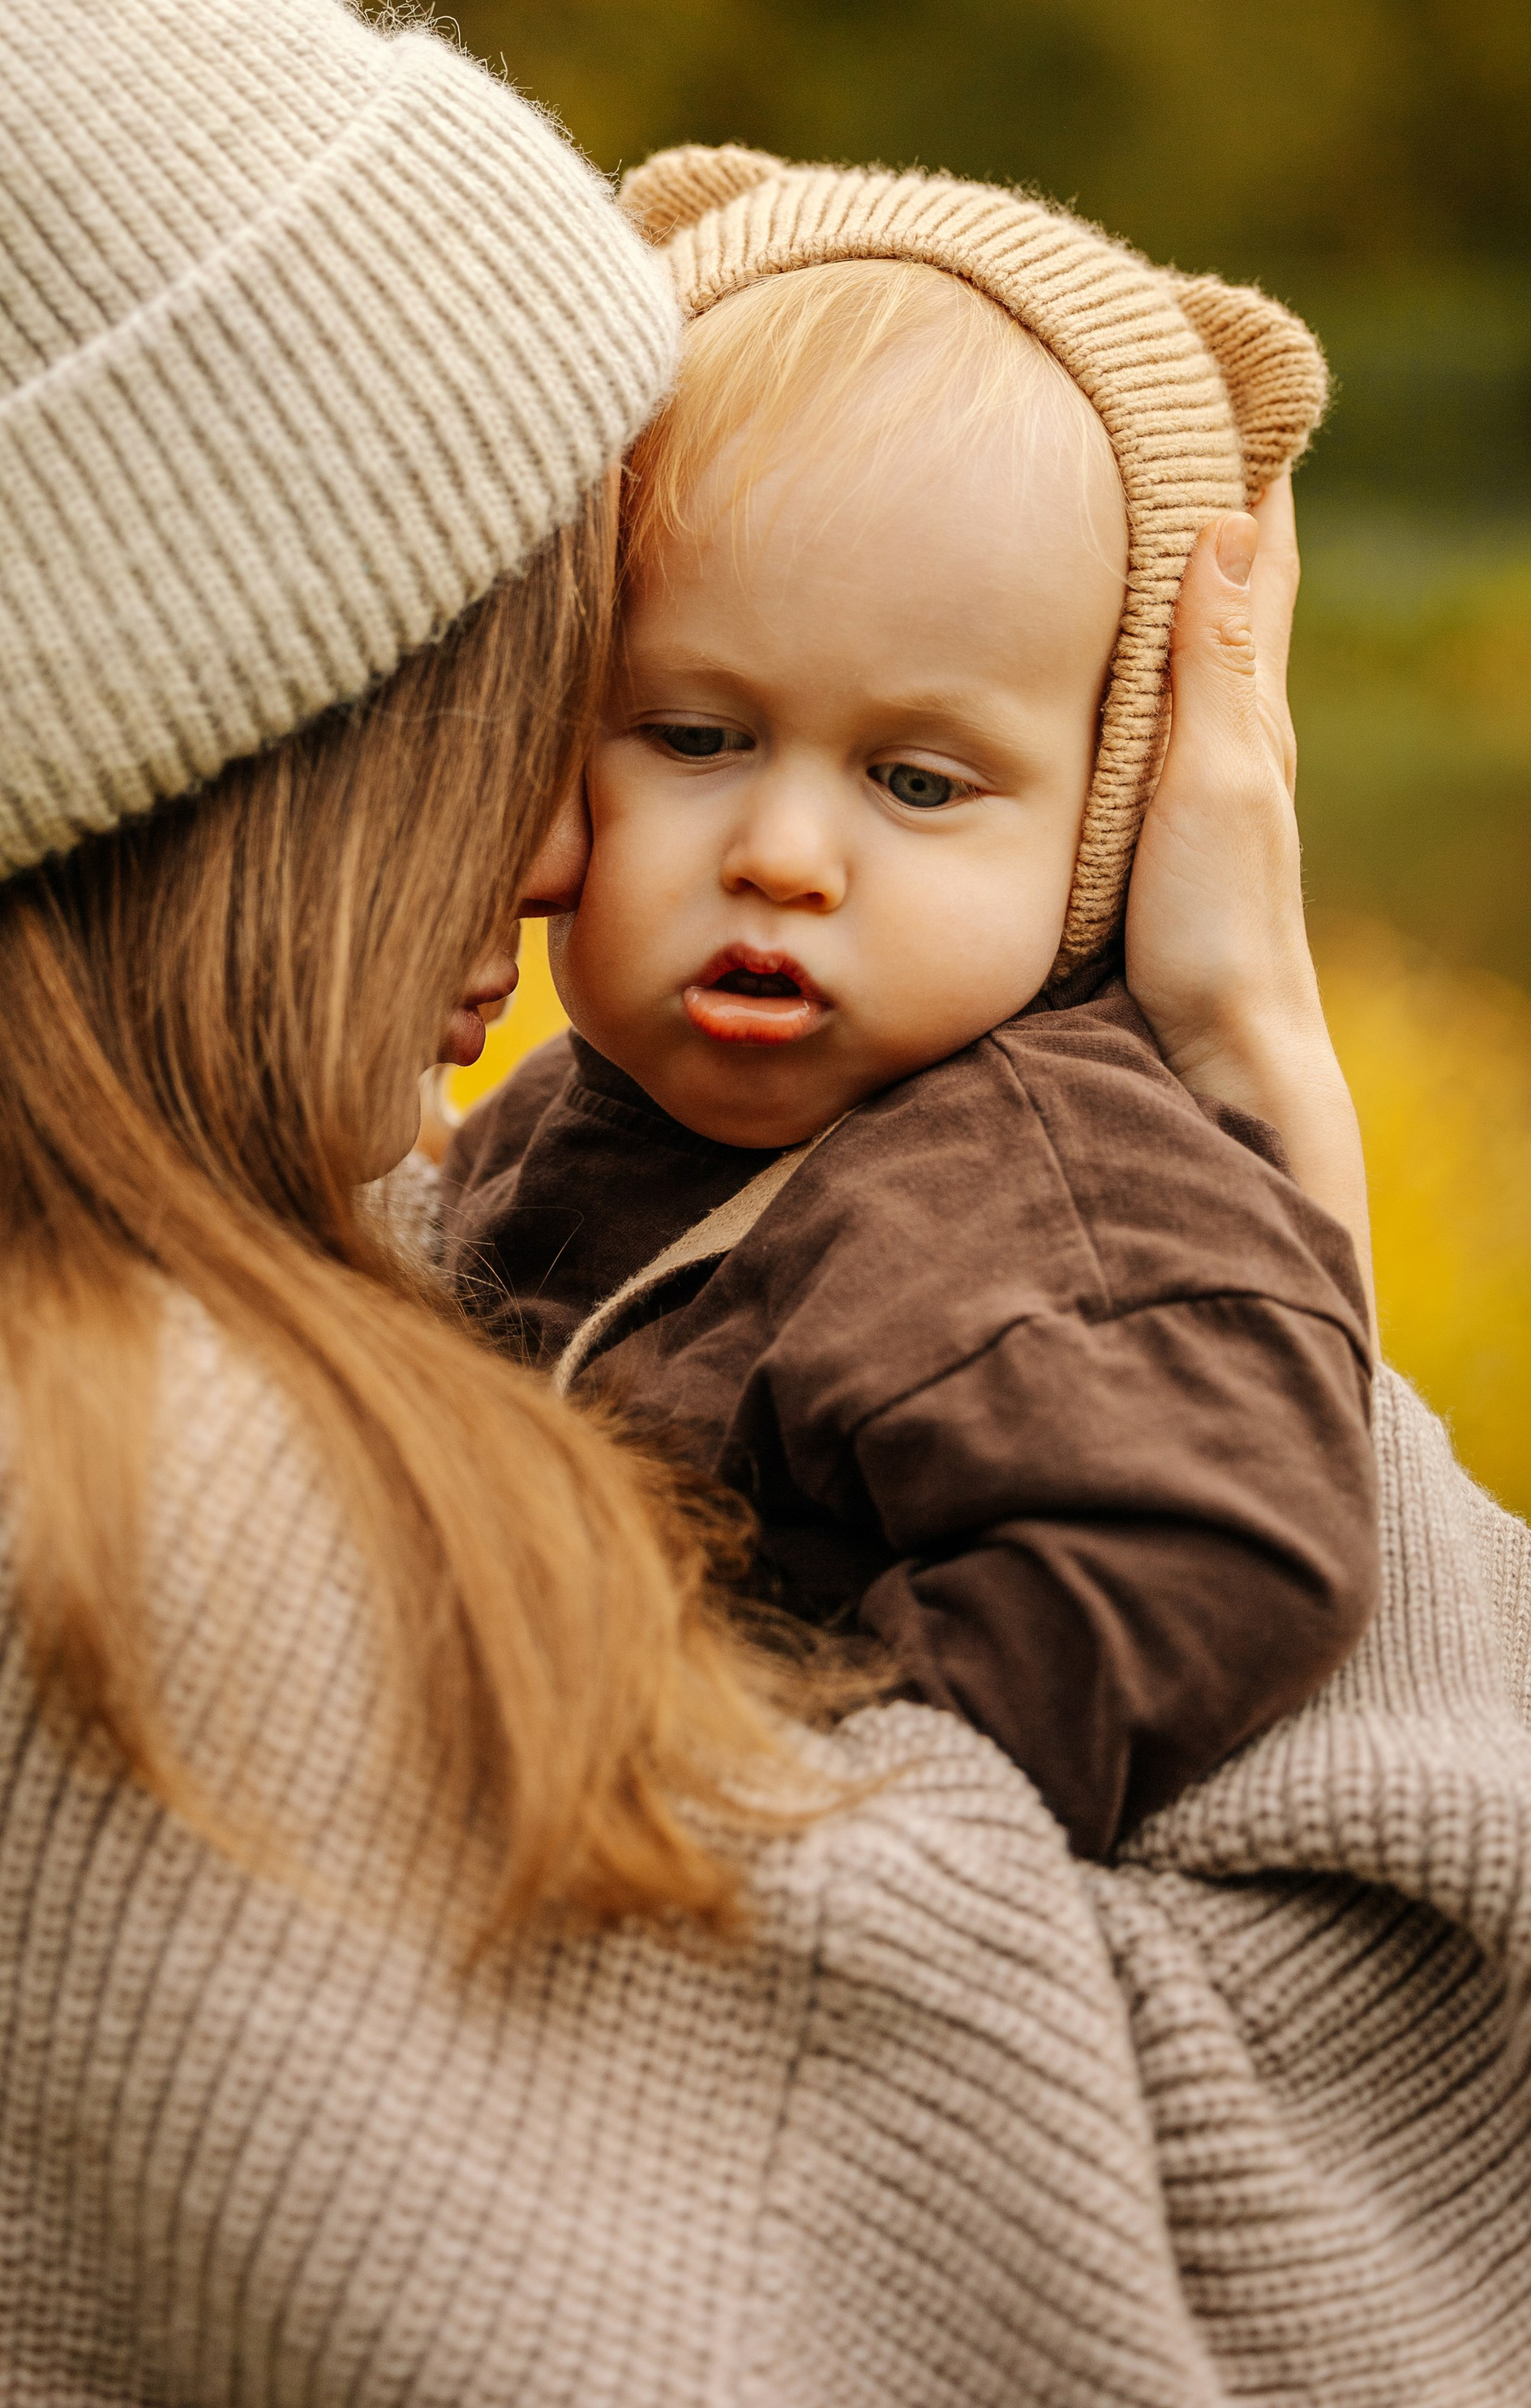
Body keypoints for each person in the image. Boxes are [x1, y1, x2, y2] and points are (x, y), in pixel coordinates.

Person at [0, 0, 1527, 2408]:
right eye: (539, 689)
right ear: (212, 719)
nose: (569, 848)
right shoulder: (57, 1494)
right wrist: (1262, 1154)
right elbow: (1290, 2277)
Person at [442, 157, 1379, 1860]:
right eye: (695, 738)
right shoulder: (568, 1116)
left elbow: (1214, 1553)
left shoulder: (1042, 1190)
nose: (786, 857)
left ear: (1102, 821)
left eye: (920, 782)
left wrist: (786, 1813)